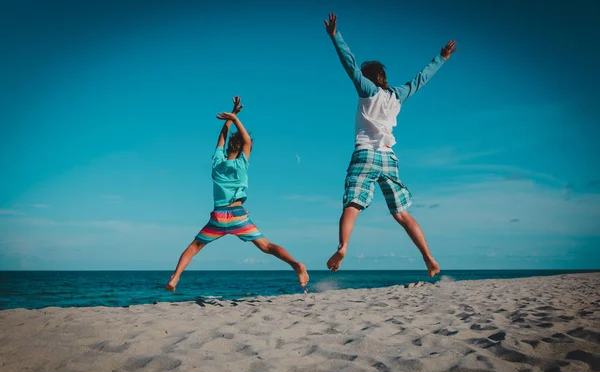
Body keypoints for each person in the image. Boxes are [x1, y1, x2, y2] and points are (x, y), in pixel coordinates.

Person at [323, 12, 457, 277]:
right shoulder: (398, 94)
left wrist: (335, 36)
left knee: (352, 205)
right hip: (389, 157)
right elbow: (421, 79)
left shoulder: (367, 91)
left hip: (365, 154)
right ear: (383, 76)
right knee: (403, 214)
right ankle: (429, 258)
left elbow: (348, 63)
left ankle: (343, 246)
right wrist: (441, 58)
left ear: (368, 77)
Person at [165, 97, 309, 291]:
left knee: (194, 247)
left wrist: (231, 117)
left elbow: (221, 139)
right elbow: (247, 142)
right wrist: (235, 117)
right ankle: (296, 265)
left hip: (218, 217)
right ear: (242, 149)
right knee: (267, 246)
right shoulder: (241, 165)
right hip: (238, 215)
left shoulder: (217, 163)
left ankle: (174, 279)